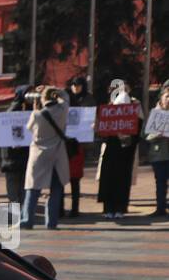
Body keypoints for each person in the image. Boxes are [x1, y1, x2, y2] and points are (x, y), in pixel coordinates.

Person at [22, 85, 70, 230]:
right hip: (57, 154)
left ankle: (27, 220)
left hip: (39, 154)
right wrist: (55, 89)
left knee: (33, 189)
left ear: (42, 99)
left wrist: (35, 109)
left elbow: (29, 128)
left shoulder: (37, 115)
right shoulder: (63, 110)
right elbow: (66, 96)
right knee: (56, 189)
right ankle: (51, 222)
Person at [97, 79, 142, 220]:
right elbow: (103, 129)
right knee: (109, 179)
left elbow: (138, 126)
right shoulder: (108, 108)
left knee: (121, 179)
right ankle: (108, 208)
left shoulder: (135, 105)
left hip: (125, 150)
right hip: (112, 149)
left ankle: (120, 208)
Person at [64, 76, 93, 215]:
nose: (75, 88)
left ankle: (75, 209)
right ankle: (60, 209)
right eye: (73, 85)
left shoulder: (88, 99)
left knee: (75, 178)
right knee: (62, 177)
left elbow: (91, 117)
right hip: (64, 142)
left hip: (78, 143)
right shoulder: (66, 98)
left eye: (78, 85)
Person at [0, 85, 30, 206]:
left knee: (23, 183)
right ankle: (16, 208)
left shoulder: (30, 109)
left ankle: (22, 208)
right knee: (14, 183)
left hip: (24, 154)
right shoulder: (13, 110)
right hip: (12, 155)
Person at [147, 85, 169, 217]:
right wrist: (157, 135)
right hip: (159, 154)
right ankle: (160, 208)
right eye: (167, 96)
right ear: (161, 98)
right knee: (160, 182)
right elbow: (146, 135)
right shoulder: (154, 114)